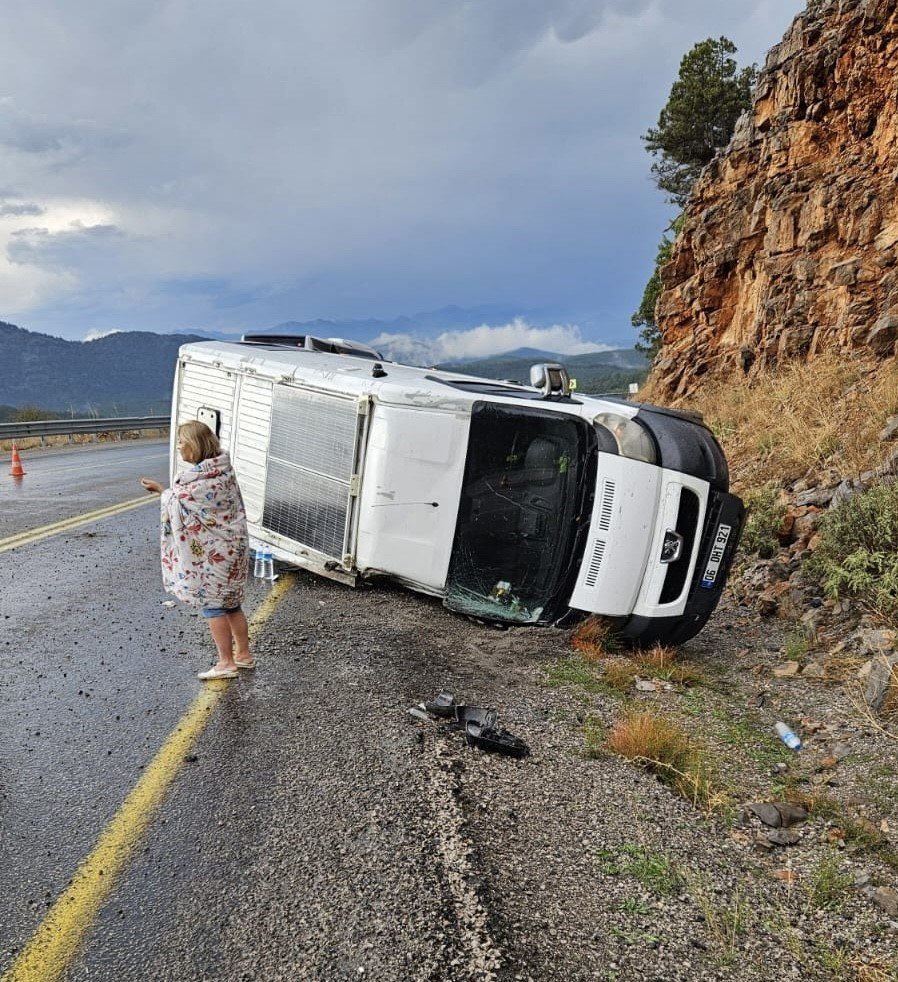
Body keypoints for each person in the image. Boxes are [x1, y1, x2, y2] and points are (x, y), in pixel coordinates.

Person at [140, 420, 253, 680]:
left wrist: (161, 491)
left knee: (213, 606)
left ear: (194, 445)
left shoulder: (199, 479)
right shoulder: (224, 470)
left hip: (215, 553)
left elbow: (180, 503)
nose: (179, 448)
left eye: (181, 442)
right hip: (234, 547)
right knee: (232, 603)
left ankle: (226, 662)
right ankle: (244, 655)